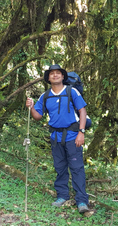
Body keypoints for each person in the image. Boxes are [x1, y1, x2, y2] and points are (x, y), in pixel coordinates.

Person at [25, 64, 90, 213]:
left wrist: (81, 132)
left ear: (63, 76)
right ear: (48, 78)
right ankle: (62, 196)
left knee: (77, 168)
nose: (55, 75)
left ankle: (81, 201)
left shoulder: (71, 91)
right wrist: (32, 107)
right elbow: (38, 116)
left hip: (73, 136)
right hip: (55, 137)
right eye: (52, 73)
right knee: (60, 168)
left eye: (58, 73)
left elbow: (82, 110)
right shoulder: (45, 96)